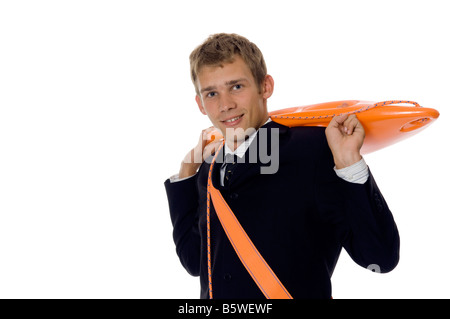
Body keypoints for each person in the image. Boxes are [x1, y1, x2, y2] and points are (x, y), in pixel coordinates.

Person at [164, 33, 399, 299]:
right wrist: (186, 174)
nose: (225, 105)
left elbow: (380, 257)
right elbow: (195, 261)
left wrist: (350, 165)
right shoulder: (210, 166)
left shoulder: (313, 150)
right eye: (212, 93)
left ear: (265, 87)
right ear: (200, 103)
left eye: (237, 87)